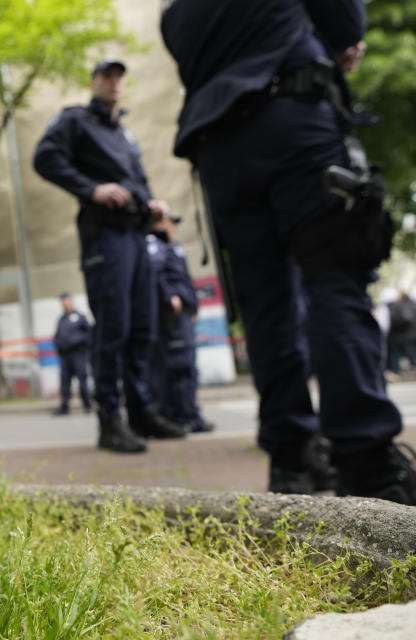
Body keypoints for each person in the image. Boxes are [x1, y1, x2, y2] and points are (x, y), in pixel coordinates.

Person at [161, 0, 416, 504]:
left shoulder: (174, 14)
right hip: (294, 121)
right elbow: (344, 20)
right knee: (334, 277)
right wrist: (338, 43)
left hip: (220, 153)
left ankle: (292, 456)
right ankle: (366, 460)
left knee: (265, 304)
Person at [33, 58, 186, 454]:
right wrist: (91, 189)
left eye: (119, 77)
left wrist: (152, 203)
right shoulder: (76, 121)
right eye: (107, 76)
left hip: (137, 236)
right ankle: (109, 421)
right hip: (106, 237)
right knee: (113, 327)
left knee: (142, 328)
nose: (114, 83)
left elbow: (138, 181)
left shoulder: (124, 133)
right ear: (94, 82)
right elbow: (45, 158)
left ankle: (140, 413)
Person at [146, 213, 215, 433]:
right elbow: (155, 274)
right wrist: (170, 298)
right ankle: (180, 416)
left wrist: (191, 308)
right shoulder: (155, 244)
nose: (173, 227)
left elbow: (184, 279)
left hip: (182, 315)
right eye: (169, 222)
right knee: (178, 366)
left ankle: (190, 414)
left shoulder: (172, 247)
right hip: (171, 317)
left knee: (187, 367)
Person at [52, 293, 93, 415]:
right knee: (65, 381)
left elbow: (89, 333)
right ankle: (64, 406)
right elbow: (57, 335)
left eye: (66, 301)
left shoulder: (79, 317)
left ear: (71, 301)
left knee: (82, 379)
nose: (65, 304)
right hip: (65, 355)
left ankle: (87, 404)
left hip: (78, 354)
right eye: (63, 302)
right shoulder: (61, 319)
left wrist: (79, 341)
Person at [386, 291, 416, 375]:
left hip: (398, 336)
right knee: (413, 354)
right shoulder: (413, 305)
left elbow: (394, 320)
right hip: (413, 335)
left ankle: (396, 372)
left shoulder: (396, 305)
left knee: (395, 354)